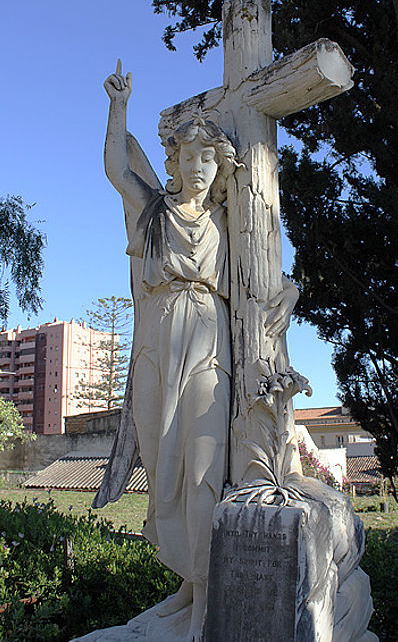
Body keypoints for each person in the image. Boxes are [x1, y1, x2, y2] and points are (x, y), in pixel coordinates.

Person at [101, 61, 292, 639]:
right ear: (176, 164)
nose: (199, 167)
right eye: (189, 158)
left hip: (208, 341)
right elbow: (115, 168)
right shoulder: (155, 211)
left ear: (220, 166)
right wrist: (118, 107)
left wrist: (292, 290)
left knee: (205, 464)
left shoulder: (230, 222)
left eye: (208, 158)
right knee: (163, 463)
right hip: (159, 339)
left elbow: (266, 264)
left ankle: (211, 597)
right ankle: (187, 583)